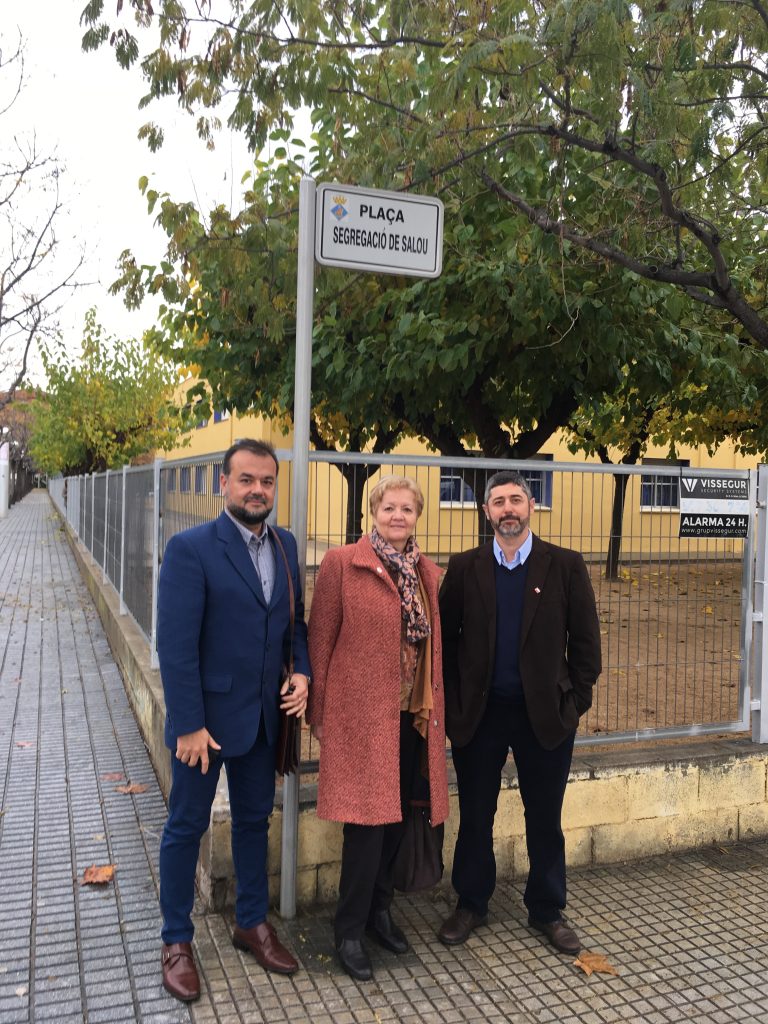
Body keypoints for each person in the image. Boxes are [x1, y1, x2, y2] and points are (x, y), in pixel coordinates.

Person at [157, 439, 310, 1002]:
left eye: (267, 482)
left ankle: (251, 922)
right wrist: (188, 724)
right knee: (185, 827)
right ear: (225, 484)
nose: (257, 490)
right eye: (246, 480)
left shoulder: (287, 545)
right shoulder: (191, 548)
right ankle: (176, 940)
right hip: (205, 726)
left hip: (263, 721)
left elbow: (296, 627)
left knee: (253, 823)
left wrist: (304, 675)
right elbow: (174, 647)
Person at [437, 470, 601, 955]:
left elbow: (587, 647)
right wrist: (454, 704)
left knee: (545, 816)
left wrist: (574, 704)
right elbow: (445, 643)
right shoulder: (465, 567)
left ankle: (547, 910)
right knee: (475, 815)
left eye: (516, 499)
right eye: (498, 501)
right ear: (486, 511)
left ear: (531, 506)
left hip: (545, 717)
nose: (507, 509)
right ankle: (471, 902)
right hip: (481, 716)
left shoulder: (565, 565)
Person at [307, 475, 449, 981]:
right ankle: (348, 929)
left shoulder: (428, 573)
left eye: (407, 510)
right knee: (365, 828)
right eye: (389, 507)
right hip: (360, 719)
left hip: (411, 719)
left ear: (416, 517)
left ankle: (380, 912)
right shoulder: (343, 565)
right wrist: (318, 714)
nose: (397, 517)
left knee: (399, 820)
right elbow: (320, 641)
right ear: (373, 511)